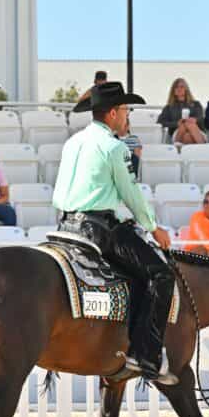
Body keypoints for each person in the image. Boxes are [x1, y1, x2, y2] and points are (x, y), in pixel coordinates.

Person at [53, 80, 177, 384]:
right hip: (98, 230)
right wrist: (153, 227)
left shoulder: (72, 143)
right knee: (161, 275)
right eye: (125, 110)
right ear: (111, 114)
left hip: (65, 226)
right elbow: (131, 193)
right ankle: (145, 354)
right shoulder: (114, 147)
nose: (127, 116)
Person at [156, 77, 206, 146]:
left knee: (188, 126)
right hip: (178, 132)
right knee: (184, 126)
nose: (179, 89)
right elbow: (160, 122)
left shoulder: (196, 104)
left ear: (186, 89)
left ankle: (177, 150)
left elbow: (201, 118)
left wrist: (195, 120)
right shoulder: (168, 107)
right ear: (173, 90)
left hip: (197, 131)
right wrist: (177, 124)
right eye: (176, 87)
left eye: (182, 87)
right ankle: (203, 148)